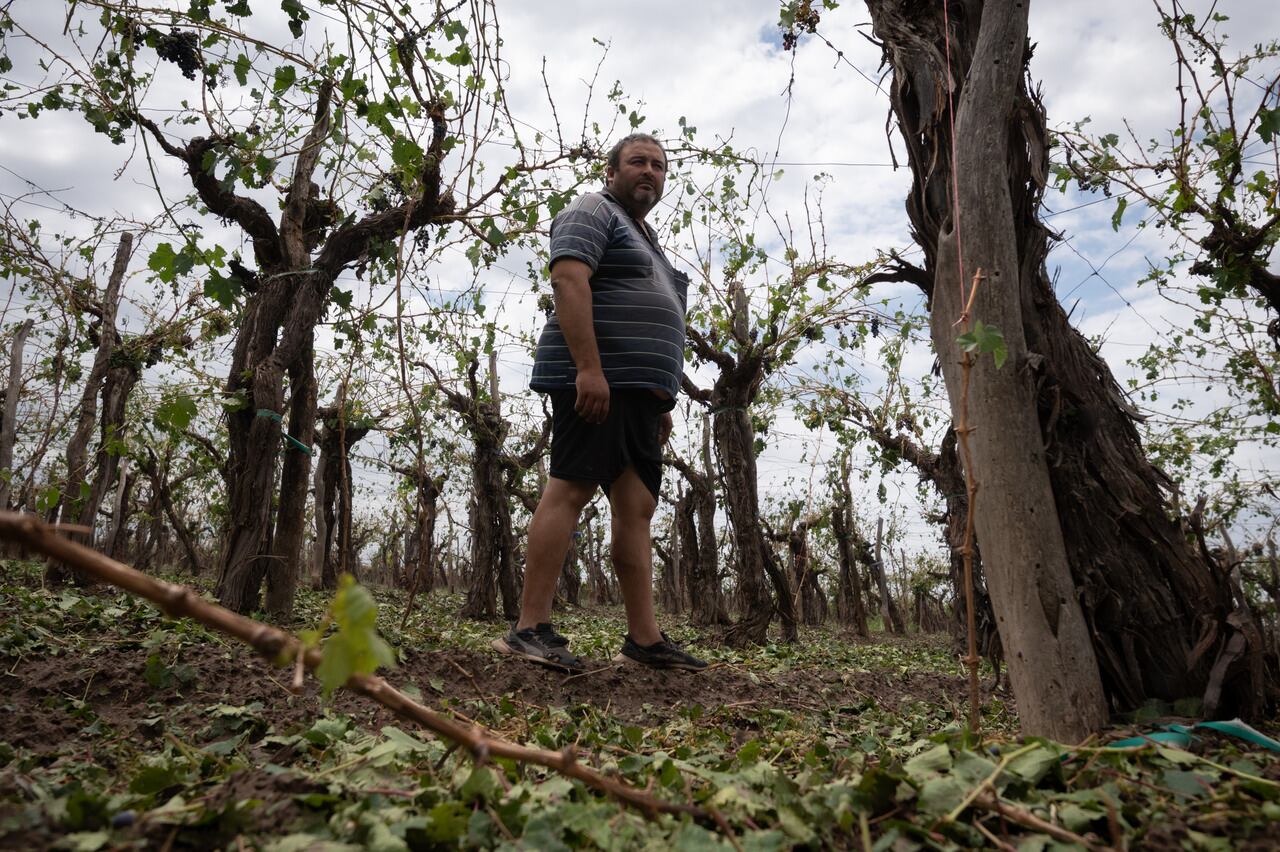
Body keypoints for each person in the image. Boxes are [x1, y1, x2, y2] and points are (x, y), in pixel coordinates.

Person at [491, 133, 707, 673]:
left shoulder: (648, 240)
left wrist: (661, 399)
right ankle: (527, 628)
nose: (650, 171)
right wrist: (589, 368)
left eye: (659, 166)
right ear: (610, 171)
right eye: (638, 161)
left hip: (638, 396)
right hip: (597, 381)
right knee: (570, 487)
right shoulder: (592, 210)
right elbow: (568, 279)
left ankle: (644, 642)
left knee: (636, 508)